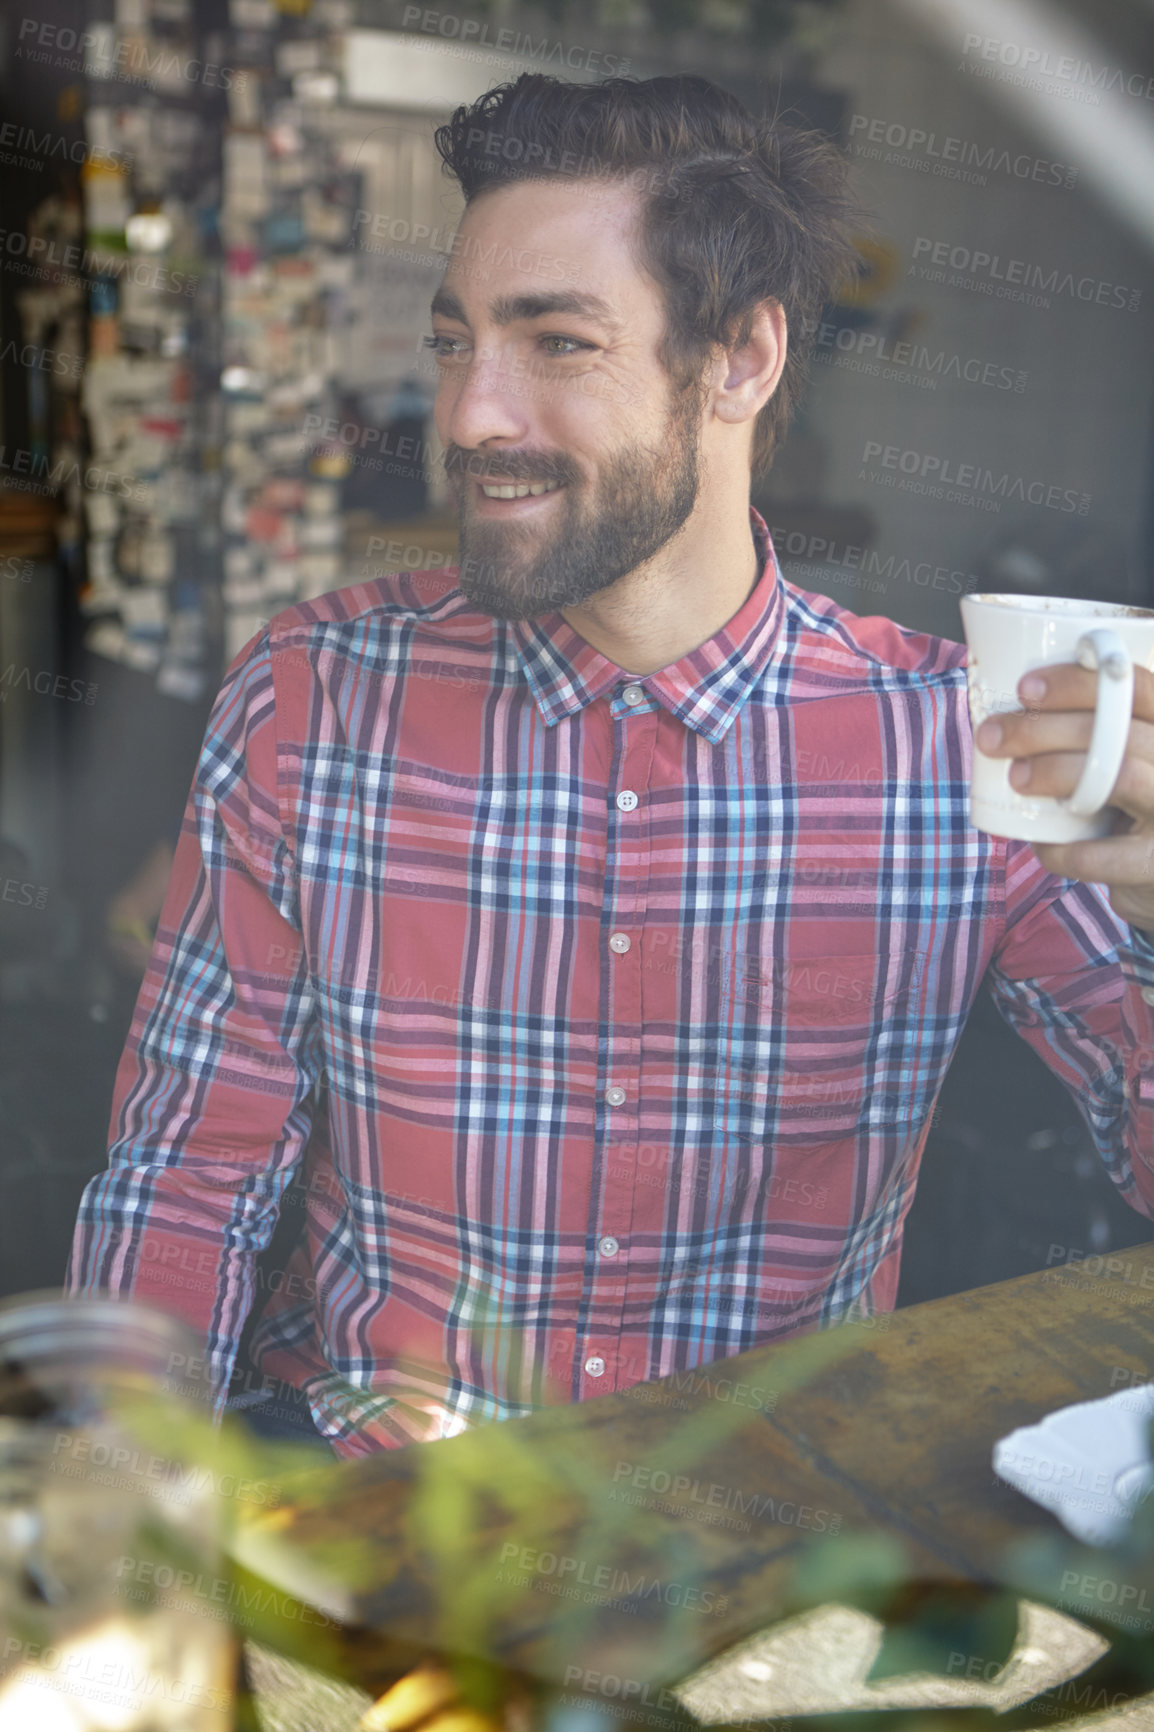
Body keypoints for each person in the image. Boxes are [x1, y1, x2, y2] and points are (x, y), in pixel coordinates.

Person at [69, 71, 1154, 1463]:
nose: (466, 416)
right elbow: (187, 1173)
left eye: (558, 343)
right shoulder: (312, 691)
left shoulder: (956, 739)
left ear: (739, 360)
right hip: (370, 1484)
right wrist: (104, 1514)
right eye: (454, 343)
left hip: (761, 1517)